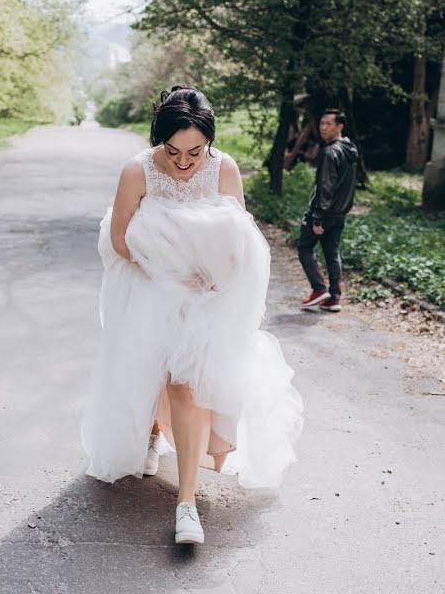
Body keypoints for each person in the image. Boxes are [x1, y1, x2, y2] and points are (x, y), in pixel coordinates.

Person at [81, 86, 303, 545]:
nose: (183, 163)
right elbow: (120, 240)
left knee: (188, 386)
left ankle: (186, 504)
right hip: (149, 290)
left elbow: (239, 241)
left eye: (194, 152)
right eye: (173, 151)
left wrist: (233, 294)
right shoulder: (136, 171)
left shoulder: (224, 170)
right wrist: (164, 273)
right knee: (148, 375)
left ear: (210, 141)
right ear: (158, 141)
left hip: (207, 301)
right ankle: (149, 432)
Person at [297, 109, 358, 312]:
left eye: (328, 124)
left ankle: (318, 289)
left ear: (340, 126)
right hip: (340, 213)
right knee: (332, 254)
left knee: (304, 248)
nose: (324, 127)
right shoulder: (350, 149)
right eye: (322, 123)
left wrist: (317, 218)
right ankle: (333, 298)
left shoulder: (331, 152)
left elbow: (326, 186)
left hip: (325, 213)